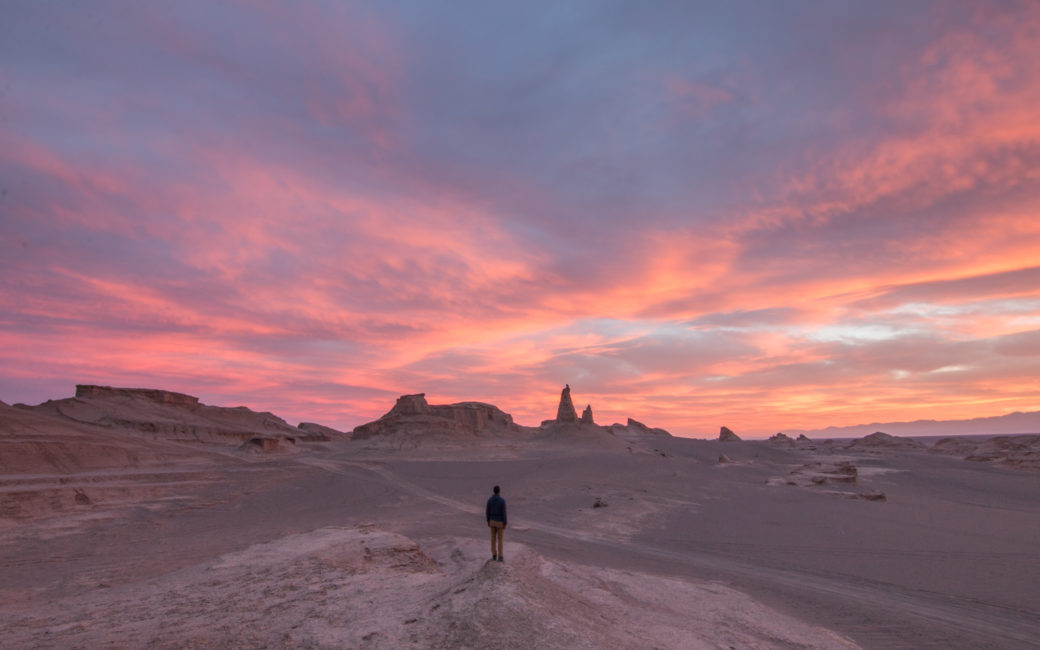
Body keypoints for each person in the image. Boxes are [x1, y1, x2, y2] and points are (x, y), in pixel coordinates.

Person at [486, 485, 507, 562]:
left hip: (492, 521)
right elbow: (504, 512)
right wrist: (505, 522)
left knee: (493, 539)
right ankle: (500, 556)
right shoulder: (502, 501)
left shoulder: (490, 500)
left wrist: (488, 521)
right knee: (500, 539)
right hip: (499, 522)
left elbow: (487, 511)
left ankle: (494, 554)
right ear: (499, 491)